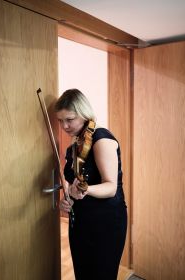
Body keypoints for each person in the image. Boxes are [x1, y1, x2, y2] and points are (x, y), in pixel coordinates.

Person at [55, 88, 127, 280]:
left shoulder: (101, 139)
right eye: (60, 120)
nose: (64, 126)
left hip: (105, 222)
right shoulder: (73, 148)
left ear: (83, 113)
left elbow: (111, 187)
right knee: (83, 275)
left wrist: (85, 190)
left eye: (69, 119)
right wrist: (67, 199)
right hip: (80, 222)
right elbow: (72, 186)